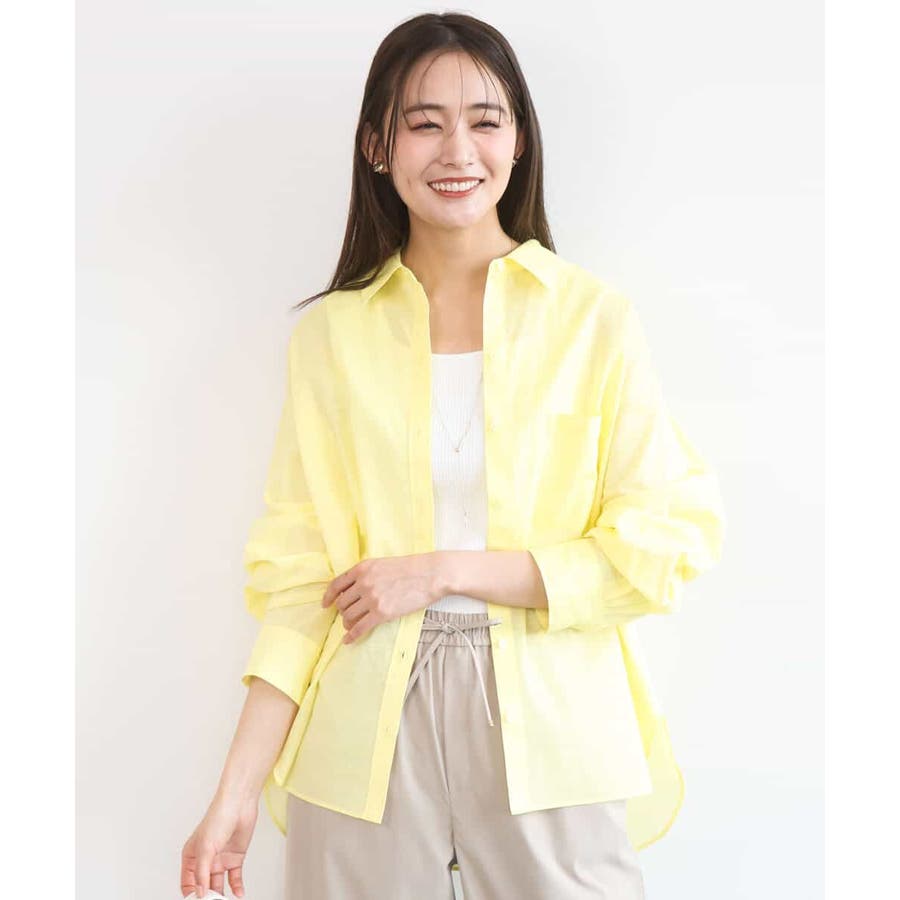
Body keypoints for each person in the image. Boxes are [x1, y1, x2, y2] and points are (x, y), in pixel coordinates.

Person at [181, 12, 726, 900]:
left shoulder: (593, 320)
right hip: (361, 730)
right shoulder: (331, 338)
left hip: (553, 729)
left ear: (519, 139)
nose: (458, 150)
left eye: (485, 119)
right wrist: (235, 793)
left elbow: (664, 543)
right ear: (377, 146)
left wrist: (441, 572)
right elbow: (297, 582)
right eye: (424, 122)